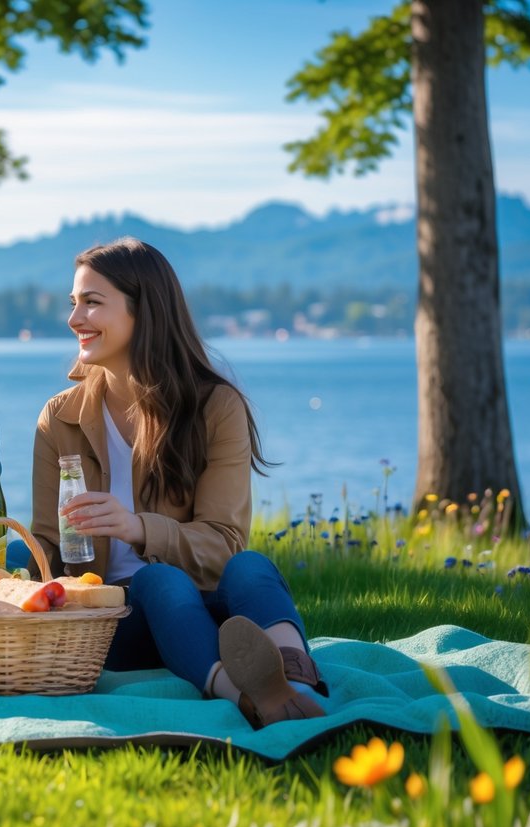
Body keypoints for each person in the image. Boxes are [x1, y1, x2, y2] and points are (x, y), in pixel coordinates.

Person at [28, 237, 327, 729]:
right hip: (113, 623)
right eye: (74, 303)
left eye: (92, 302)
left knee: (251, 567)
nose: (74, 319)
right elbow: (45, 544)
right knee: (156, 579)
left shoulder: (215, 407)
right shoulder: (60, 418)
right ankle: (245, 697)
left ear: (144, 311)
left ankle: (295, 686)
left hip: (208, 608)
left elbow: (225, 545)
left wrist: (138, 528)